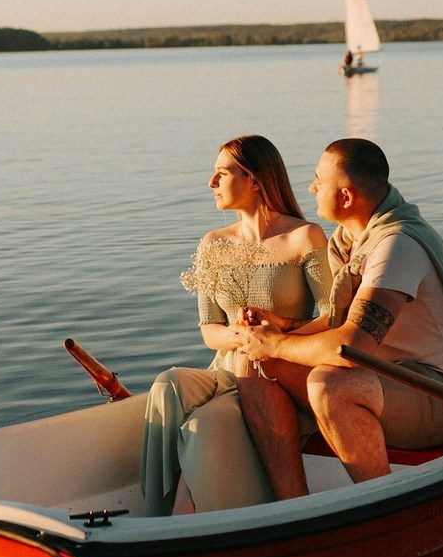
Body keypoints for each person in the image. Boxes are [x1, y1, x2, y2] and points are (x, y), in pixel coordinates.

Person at [232, 138, 443, 497]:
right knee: (254, 362)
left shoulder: (396, 246)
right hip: (389, 377)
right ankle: (291, 502)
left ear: (347, 197)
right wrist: (284, 330)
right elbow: (340, 322)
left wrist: (278, 342)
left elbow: (354, 344)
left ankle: (381, 505)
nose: (312, 187)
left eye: (319, 180)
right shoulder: (348, 241)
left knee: (330, 385)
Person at [139, 135, 330, 515]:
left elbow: (330, 317)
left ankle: (180, 527)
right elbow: (209, 330)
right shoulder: (213, 244)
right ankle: (156, 513)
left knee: (206, 423)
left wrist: (279, 329)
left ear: (255, 180)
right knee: (167, 383)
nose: (212, 183)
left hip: (281, 366)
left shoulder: (304, 236)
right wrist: (240, 334)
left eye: (221, 173)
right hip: (228, 366)